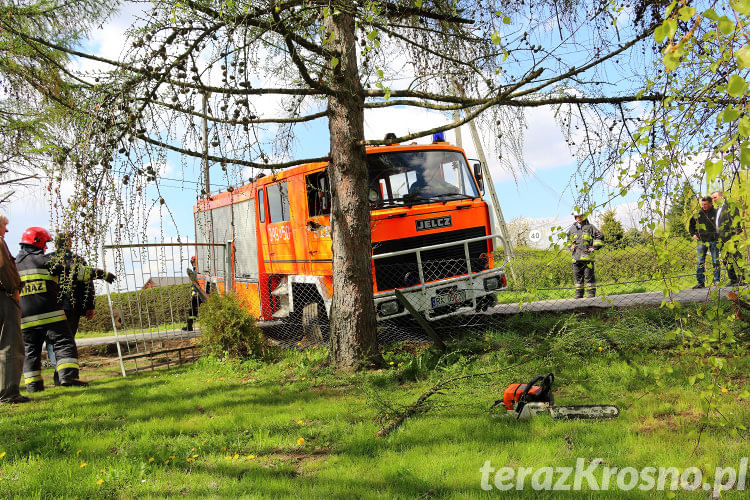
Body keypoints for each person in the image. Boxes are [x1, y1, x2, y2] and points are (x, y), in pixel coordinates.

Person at [16, 227, 113, 391]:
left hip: (25, 317)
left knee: (31, 350)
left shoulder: (14, 264)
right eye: (45, 243)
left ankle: (33, 386)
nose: (46, 247)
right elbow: (76, 272)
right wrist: (101, 274)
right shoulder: (46, 262)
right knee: (64, 342)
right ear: (37, 242)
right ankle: (68, 377)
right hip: (51, 314)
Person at [44, 232, 98, 386]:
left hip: (50, 308)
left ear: (56, 244)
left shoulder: (47, 260)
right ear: (69, 244)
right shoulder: (78, 260)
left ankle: (60, 376)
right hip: (71, 307)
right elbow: (87, 284)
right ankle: (65, 377)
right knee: (67, 342)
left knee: (52, 342)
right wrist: (90, 306)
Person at [0, 214, 29, 404]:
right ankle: (9, 394)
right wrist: (13, 290)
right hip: (3, 298)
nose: (7, 230)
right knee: (10, 344)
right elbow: (4, 269)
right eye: (3, 226)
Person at [566, 213, 604, 298]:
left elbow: (600, 236)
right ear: (575, 218)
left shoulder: (590, 227)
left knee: (588, 276)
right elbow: (568, 239)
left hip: (587, 256)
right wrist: (570, 246)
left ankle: (590, 293)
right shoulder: (572, 228)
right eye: (577, 216)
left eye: (581, 216)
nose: (579, 218)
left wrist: (595, 247)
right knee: (577, 276)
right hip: (576, 257)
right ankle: (579, 294)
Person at [711, 190, 744, 286]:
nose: (714, 200)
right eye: (712, 198)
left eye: (715, 197)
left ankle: (743, 277)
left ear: (721, 196)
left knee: (736, 256)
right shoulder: (718, 209)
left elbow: (736, 218)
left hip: (731, 236)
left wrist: (736, 232)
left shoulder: (729, 206)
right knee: (725, 258)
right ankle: (733, 279)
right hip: (721, 238)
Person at [689, 197, 720, 289]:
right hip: (701, 241)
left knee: (715, 261)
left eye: (705, 204)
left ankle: (716, 281)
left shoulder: (716, 213)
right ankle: (700, 282)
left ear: (710, 203)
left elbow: (721, 225)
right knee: (700, 262)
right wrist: (693, 234)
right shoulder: (698, 214)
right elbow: (691, 225)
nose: (704, 206)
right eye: (702, 204)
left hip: (714, 240)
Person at [183, 256, 208, 331]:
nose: (193, 263)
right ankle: (189, 325)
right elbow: (194, 285)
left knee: (197, 309)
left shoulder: (200, 271)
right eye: (192, 262)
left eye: (194, 261)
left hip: (203, 294)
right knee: (193, 310)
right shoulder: (194, 272)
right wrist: (193, 294)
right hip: (197, 295)